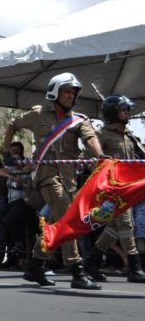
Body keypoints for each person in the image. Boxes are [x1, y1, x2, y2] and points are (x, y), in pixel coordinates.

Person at [3, 72, 105, 290]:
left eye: (74, 92)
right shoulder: (37, 114)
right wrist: (5, 152)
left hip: (69, 180)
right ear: (55, 92)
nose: (71, 96)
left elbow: (90, 137)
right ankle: (77, 270)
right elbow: (13, 124)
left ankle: (36, 265)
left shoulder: (78, 120)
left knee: (57, 224)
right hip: (46, 176)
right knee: (68, 218)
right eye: (67, 91)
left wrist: (100, 155)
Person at [83, 95, 145, 283]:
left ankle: (91, 263)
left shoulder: (130, 137)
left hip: (129, 189)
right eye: (123, 109)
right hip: (111, 190)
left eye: (127, 109)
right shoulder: (102, 136)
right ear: (113, 113)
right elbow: (87, 160)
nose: (127, 113)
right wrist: (101, 165)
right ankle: (135, 269)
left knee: (115, 229)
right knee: (126, 225)